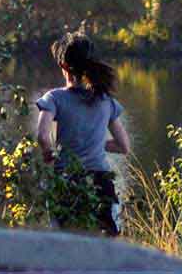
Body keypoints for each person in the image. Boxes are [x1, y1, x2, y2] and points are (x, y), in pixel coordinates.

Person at [32, 32, 131, 235]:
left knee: (66, 240)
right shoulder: (106, 101)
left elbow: (42, 136)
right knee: (105, 239)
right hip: (100, 181)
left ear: (63, 67)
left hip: (67, 179)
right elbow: (123, 146)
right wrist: (94, 141)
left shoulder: (54, 98)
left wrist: (48, 152)